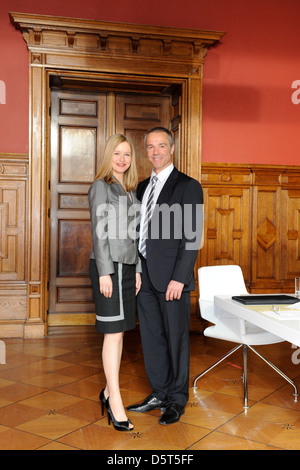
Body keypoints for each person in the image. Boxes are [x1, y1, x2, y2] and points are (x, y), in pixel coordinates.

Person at [127, 127, 204, 425]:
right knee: (151, 337)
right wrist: (135, 270)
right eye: (150, 147)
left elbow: (192, 236)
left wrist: (180, 278)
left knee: (176, 339)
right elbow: (137, 232)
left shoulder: (188, 185)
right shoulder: (142, 187)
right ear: (145, 151)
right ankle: (158, 392)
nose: (155, 151)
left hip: (172, 277)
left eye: (161, 146)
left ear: (172, 149)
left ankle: (176, 399)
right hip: (144, 275)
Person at [88, 134, 141, 432]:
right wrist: (105, 273)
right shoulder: (100, 187)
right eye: (117, 153)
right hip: (108, 268)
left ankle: (108, 391)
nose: (122, 159)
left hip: (127, 267)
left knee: (120, 334)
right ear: (108, 156)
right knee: (112, 333)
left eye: (127, 154)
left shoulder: (130, 191)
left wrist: (137, 271)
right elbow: (99, 234)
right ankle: (116, 401)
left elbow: (136, 236)